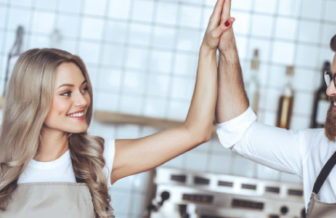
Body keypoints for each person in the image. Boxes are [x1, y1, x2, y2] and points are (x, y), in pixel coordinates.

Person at [0, 0, 235, 217]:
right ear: (33, 100)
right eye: (66, 93)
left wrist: (207, 49)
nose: (82, 101)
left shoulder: (96, 160)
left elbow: (196, 132)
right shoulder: (4, 167)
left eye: (84, 89)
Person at [215, 3, 336, 218]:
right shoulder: (319, 148)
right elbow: (238, 132)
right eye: (332, 78)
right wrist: (227, 50)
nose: (329, 90)